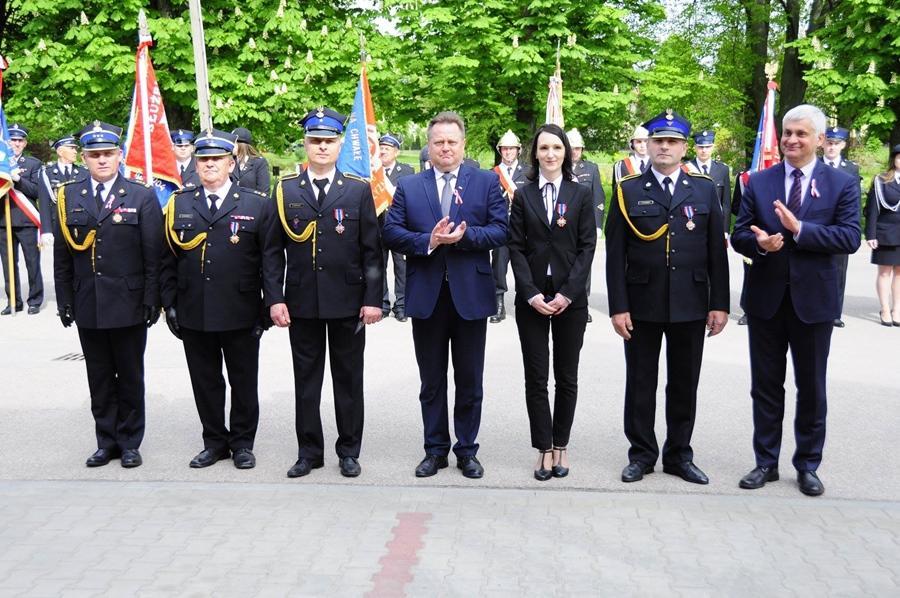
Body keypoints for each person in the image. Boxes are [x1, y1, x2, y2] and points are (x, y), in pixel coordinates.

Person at [732, 104, 861, 497]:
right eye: (787, 132)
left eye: (801, 134)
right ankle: (765, 463)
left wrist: (800, 228)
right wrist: (760, 243)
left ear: (819, 140)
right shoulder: (759, 181)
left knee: (812, 388)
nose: (791, 139)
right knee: (765, 386)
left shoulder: (842, 183)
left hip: (814, 303)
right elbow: (739, 234)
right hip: (766, 301)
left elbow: (849, 238)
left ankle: (807, 465)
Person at [605, 109, 729, 485]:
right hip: (642, 303)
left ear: (684, 148)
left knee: (684, 384)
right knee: (640, 383)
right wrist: (618, 306)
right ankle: (642, 454)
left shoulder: (703, 189)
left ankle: (679, 455)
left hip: (691, 302)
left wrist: (720, 303)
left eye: (672, 141)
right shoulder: (628, 189)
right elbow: (615, 254)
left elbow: (716, 252)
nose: (664, 147)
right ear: (648, 144)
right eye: (658, 140)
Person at [383, 111, 507, 479]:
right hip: (427, 296)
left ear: (463, 145)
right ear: (429, 146)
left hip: (471, 295)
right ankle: (435, 450)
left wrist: (465, 237)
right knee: (432, 381)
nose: (446, 148)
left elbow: (502, 230)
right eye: (439, 142)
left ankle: (467, 450)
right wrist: (430, 241)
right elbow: (391, 232)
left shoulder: (486, 182)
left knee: (469, 380)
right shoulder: (409, 186)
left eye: (452, 141)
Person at [267, 108, 383, 479]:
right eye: (315, 140)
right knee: (306, 383)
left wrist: (373, 299)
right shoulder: (286, 190)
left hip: (348, 303)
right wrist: (275, 298)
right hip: (302, 303)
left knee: (348, 381)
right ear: (305, 144)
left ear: (338, 145)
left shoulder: (357, 189)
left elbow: (372, 250)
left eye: (329, 141)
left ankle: (349, 451)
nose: (322, 147)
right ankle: (309, 452)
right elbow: (272, 251)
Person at [160, 129, 276, 470]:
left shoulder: (256, 203)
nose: (210, 164)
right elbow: (166, 258)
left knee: (243, 381)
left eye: (217, 159)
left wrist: (268, 305)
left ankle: (242, 444)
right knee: (205, 381)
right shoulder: (180, 203)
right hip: (194, 307)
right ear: (195, 164)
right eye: (204, 159)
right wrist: (169, 303)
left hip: (241, 308)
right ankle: (214, 442)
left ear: (231, 163)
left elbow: (270, 259)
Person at [53, 121, 163, 468]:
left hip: (129, 301)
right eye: (94, 154)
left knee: (129, 375)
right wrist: (65, 298)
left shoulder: (140, 195)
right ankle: (106, 441)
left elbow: (153, 253)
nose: (101, 160)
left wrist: (152, 297)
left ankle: (130, 442)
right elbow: (62, 255)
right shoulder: (68, 196)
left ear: (119, 156)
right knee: (99, 377)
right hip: (88, 300)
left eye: (108, 153)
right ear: (84, 158)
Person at [507, 124, 596, 481]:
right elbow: (515, 247)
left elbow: (587, 247)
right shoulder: (523, 194)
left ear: (566, 153)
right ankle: (543, 447)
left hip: (569, 298)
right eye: (543, 148)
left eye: (556, 148)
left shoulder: (581, 193)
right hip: (532, 296)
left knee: (567, 376)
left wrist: (568, 293)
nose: (550, 154)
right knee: (536, 376)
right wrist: (529, 292)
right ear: (535, 153)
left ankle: (561, 444)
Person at [1, 124, 44, 315]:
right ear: (6, 142)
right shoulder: (1, 163)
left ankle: (34, 300)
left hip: (26, 220)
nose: (16, 143)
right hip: (3, 221)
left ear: (25, 143)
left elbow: (36, 191)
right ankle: (14, 301)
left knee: (32, 263)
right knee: (8, 264)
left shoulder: (33, 164)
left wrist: (18, 180)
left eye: (20, 140)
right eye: (13, 140)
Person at [823, 126, 861, 328]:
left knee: (838, 270)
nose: (832, 147)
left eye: (836, 144)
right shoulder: (813, 165)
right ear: (823, 143)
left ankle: (834, 312)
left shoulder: (850, 169)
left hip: (839, 227)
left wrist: (853, 228)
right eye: (829, 143)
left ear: (843, 145)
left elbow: (855, 202)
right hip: (817, 226)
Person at [568, 127, 607, 323]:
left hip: (584, 225)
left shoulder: (591, 168)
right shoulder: (558, 168)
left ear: (582, 150)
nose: (574, 152)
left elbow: (598, 198)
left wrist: (598, 224)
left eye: (577, 148)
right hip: (564, 224)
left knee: (584, 264)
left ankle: (582, 303)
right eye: (571, 148)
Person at [490, 129, 527, 323]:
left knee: (525, 265)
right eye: (505, 149)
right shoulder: (492, 174)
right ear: (500, 151)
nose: (508, 152)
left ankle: (525, 301)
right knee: (498, 265)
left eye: (512, 149)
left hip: (523, 227)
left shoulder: (529, 173)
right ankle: (498, 303)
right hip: (501, 227)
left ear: (518, 150)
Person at [378, 133, 415, 321]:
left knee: (402, 267)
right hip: (377, 226)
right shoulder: (372, 172)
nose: (383, 151)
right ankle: (382, 304)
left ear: (396, 152)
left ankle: (401, 305)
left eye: (387, 148)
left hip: (400, 227)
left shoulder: (407, 171)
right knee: (378, 266)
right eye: (381, 148)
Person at [864, 144, 900, 326]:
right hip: (886, 233)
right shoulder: (881, 180)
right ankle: (885, 308)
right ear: (894, 159)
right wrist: (871, 234)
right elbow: (872, 209)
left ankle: (897, 309)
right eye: (899, 157)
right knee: (885, 273)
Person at [38, 135, 84, 238]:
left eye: (75, 148)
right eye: (71, 148)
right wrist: (46, 231)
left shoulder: (84, 172)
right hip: (57, 225)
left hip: (80, 225)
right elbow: (44, 204)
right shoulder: (47, 173)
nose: (75, 152)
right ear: (60, 152)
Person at [687, 130, 732, 228]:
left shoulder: (723, 169)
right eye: (701, 147)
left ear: (713, 147)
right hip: (693, 221)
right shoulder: (686, 168)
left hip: (716, 221)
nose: (704, 150)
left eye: (708, 147)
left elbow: (726, 203)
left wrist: (725, 230)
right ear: (695, 148)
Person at [232, 127, 271, 194]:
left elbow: (264, 192)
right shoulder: (228, 161)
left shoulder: (259, 162)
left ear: (240, 144)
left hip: (252, 200)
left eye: (233, 143)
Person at [611, 125, 650, 191]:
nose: (643, 145)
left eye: (646, 141)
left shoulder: (659, 164)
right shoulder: (621, 166)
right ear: (632, 144)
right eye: (639, 142)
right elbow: (617, 192)